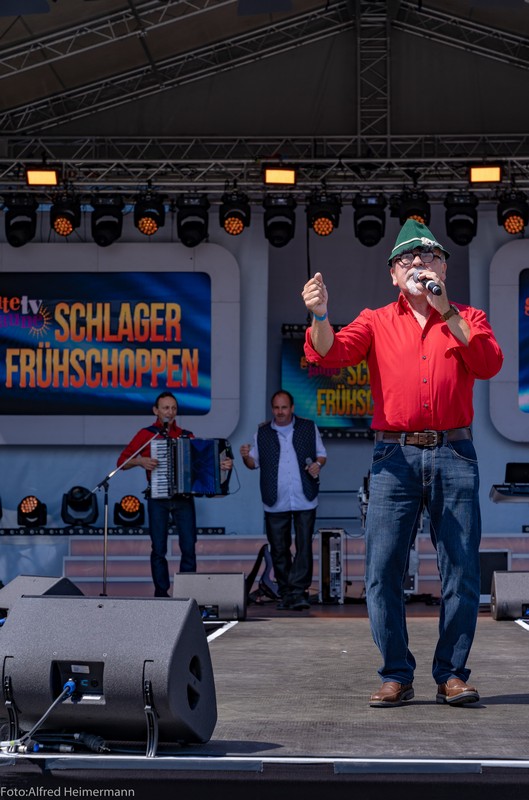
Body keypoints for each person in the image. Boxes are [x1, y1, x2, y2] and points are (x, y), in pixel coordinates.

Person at [302, 218, 504, 707]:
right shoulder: (375, 320)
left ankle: (451, 674)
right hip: (394, 454)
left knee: (461, 569)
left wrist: (445, 309)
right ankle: (396, 672)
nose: (418, 262)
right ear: (393, 274)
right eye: (407, 259)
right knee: (382, 569)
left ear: (444, 269)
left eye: (428, 255)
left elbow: (488, 363)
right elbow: (329, 354)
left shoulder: (467, 317)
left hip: (454, 451)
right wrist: (320, 315)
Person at [117, 391, 233, 597]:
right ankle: (161, 593)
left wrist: (220, 465)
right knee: (158, 548)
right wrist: (140, 461)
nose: (170, 412)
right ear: (156, 410)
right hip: (157, 497)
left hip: (183, 499)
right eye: (165, 408)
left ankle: (187, 593)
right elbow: (122, 463)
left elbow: (202, 465)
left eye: (173, 408)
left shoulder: (186, 436)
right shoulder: (147, 434)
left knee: (189, 546)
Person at [240, 390, 327, 611]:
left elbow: (322, 454)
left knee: (304, 546)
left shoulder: (308, 427)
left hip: (304, 495)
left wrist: (317, 464)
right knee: (279, 548)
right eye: (277, 408)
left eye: (284, 407)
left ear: (292, 408)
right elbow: (253, 464)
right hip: (275, 497)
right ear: (272, 409)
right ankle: (287, 593)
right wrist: (245, 456)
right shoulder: (262, 433)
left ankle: (299, 592)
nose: (280, 412)